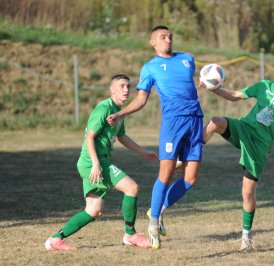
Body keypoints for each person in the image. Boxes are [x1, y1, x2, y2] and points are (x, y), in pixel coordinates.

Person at [107, 25, 204, 249]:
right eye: (163, 37)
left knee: (190, 179)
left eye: (170, 36)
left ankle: (157, 209)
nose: (168, 40)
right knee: (166, 173)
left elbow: (191, 85)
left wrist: (207, 82)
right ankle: (152, 223)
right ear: (153, 42)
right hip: (173, 123)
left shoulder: (187, 59)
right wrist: (120, 113)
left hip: (195, 120)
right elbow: (141, 100)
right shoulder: (150, 68)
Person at [45, 74, 158, 251]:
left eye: (128, 86)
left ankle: (55, 240)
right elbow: (90, 137)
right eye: (121, 86)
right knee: (132, 188)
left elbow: (121, 136)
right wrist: (96, 164)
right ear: (112, 90)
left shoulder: (120, 112)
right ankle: (130, 234)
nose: (126, 90)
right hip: (93, 161)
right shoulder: (104, 108)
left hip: (92, 162)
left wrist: (143, 152)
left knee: (94, 210)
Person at [203, 54, 274, 251]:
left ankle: (246, 237)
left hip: (259, 145)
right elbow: (235, 96)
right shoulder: (265, 85)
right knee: (215, 121)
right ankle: (192, 157)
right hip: (244, 129)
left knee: (247, 192)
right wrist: (213, 88)